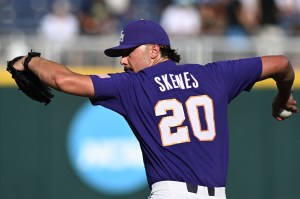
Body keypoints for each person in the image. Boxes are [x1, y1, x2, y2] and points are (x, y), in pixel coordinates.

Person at [11, 19, 298, 199]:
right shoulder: (215, 75)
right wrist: (282, 96)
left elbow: (64, 79)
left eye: (127, 52)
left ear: (154, 51)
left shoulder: (134, 85)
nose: (123, 61)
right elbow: (282, 64)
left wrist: (29, 61)